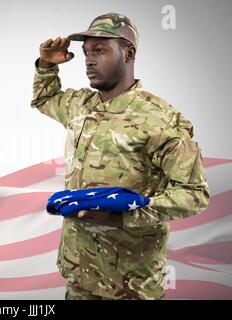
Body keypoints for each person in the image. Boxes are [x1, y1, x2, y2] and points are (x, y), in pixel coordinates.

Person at [30, 13, 210, 300]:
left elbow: (194, 194)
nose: (89, 60)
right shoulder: (81, 105)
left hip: (131, 285)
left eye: (100, 51)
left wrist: (127, 214)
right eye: (87, 52)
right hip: (80, 276)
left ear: (128, 53)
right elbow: (44, 99)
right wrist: (46, 66)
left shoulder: (158, 120)